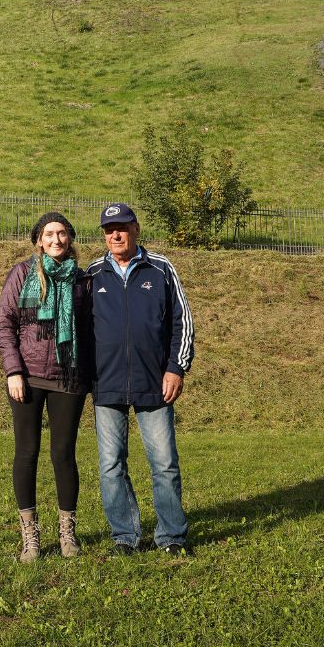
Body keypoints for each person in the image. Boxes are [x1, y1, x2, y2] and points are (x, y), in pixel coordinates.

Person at [87, 203, 194, 555]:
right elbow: (81, 329)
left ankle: (171, 537)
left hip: (155, 381)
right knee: (110, 464)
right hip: (107, 382)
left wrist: (176, 368)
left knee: (163, 463)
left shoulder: (161, 269)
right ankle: (124, 536)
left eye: (121, 227)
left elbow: (182, 322)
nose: (114, 235)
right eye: (108, 229)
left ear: (135, 229)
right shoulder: (92, 275)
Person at [0, 212, 91, 561]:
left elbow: (91, 332)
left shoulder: (82, 281)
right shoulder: (21, 274)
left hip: (69, 378)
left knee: (63, 455)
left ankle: (67, 532)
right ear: (38, 240)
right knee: (27, 452)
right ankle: (30, 534)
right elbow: (5, 325)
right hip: (28, 378)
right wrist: (13, 371)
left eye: (62, 233)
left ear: (70, 239)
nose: (56, 239)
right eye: (49, 233)